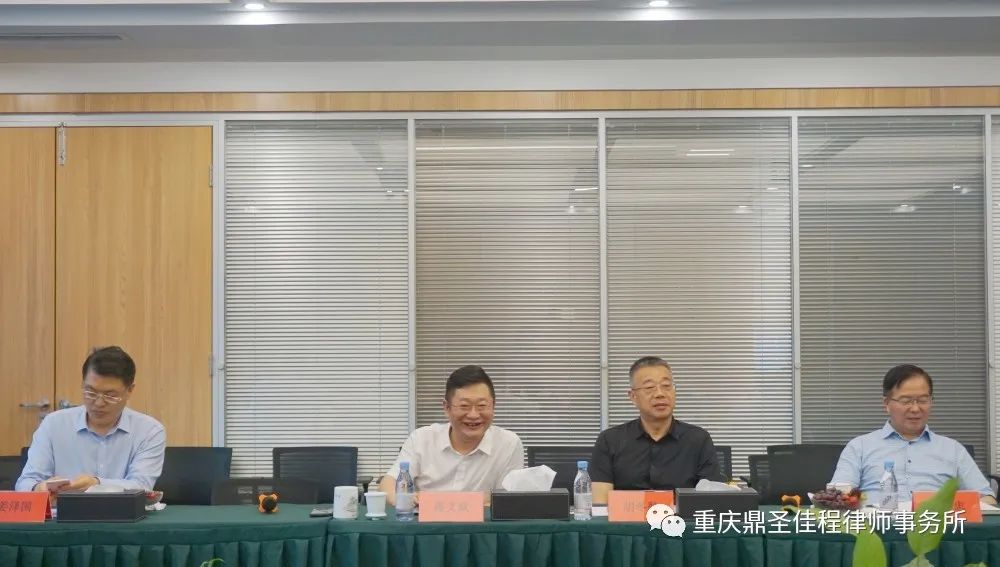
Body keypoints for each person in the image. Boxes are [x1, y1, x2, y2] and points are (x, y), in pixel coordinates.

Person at [829, 364, 997, 506]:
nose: (915, 409)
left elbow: (986, 499)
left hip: (936, 528)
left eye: (923, 400)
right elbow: (837, 497)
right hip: (877, 528)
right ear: (886, 404)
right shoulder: (859, 447)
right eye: (906, 401)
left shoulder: (953, 450)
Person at [16, 346, 166, 493]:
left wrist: (97, 484)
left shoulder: (149, 431)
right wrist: (37, 489)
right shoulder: (53, 424)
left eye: (110, 395)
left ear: (130, 390)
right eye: (91, 392)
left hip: (121, 510)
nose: (99, 403)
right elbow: (27, 481)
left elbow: (141, 486)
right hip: (63, 509)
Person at [380, 365, 524, 505]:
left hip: (482, 522)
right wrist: (404, 499)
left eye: (482, 406)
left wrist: (438, 502)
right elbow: (388, 484)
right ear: (446, 408)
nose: (473, 415)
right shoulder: (421, 439)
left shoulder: (508, 444)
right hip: (426, 521)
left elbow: (507, 500)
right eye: (464, 406)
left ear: (493, 406)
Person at [591, 356, 723, 505]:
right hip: (625, 519)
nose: (660, 393)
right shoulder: (610, 440)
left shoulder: (698, 440)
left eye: (666, 386)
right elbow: (600, 504)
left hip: (680, 519)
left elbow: (711, 501)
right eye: (649, 388)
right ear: (633, 397)